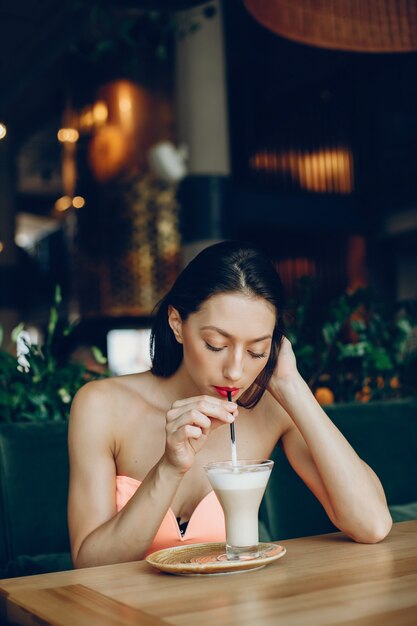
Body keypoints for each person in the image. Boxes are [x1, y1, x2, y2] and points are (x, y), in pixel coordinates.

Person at [68, 240, 392, 568]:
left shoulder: (270, 408)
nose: (236, 371)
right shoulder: (101, 406)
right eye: (216, 344)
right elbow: (90, 564)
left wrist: (292, 387)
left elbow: (372, 525)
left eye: (256, 351)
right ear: (177, 324)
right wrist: (168, 468)